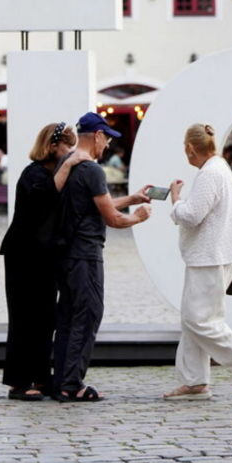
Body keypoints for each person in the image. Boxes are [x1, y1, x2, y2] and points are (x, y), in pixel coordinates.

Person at [162, 124, 232, 401]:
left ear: (189, 149)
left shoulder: (209, 173)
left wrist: (175, 201)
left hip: (211, 256)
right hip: (215, 254)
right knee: (194, 319)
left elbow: (191, 215)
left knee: (200, 320)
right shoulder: (219, 168)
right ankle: (195, 382)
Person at [51, 112, 152, 402]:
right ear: (96, 136)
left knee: (68, 318)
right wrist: (138, 217)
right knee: (89, 314)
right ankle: (73, 385)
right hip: (86, 254)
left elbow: (93, 205)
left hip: (66, 255)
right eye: (106, 139)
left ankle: (61, 381)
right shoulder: (93, 171)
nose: (107, 145)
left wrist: (131, 199)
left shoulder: (66, 165)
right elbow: (112, 219)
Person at [0, 122, 91, 401]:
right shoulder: (33, 174)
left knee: (46, 318)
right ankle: (19, 382)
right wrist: (70, 163)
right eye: (67, 146)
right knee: (25, 317)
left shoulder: (55, 172)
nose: (71, 151)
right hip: (24, 256)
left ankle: (41, 376)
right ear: (52, 146)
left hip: (47, 256)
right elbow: (46, 194)